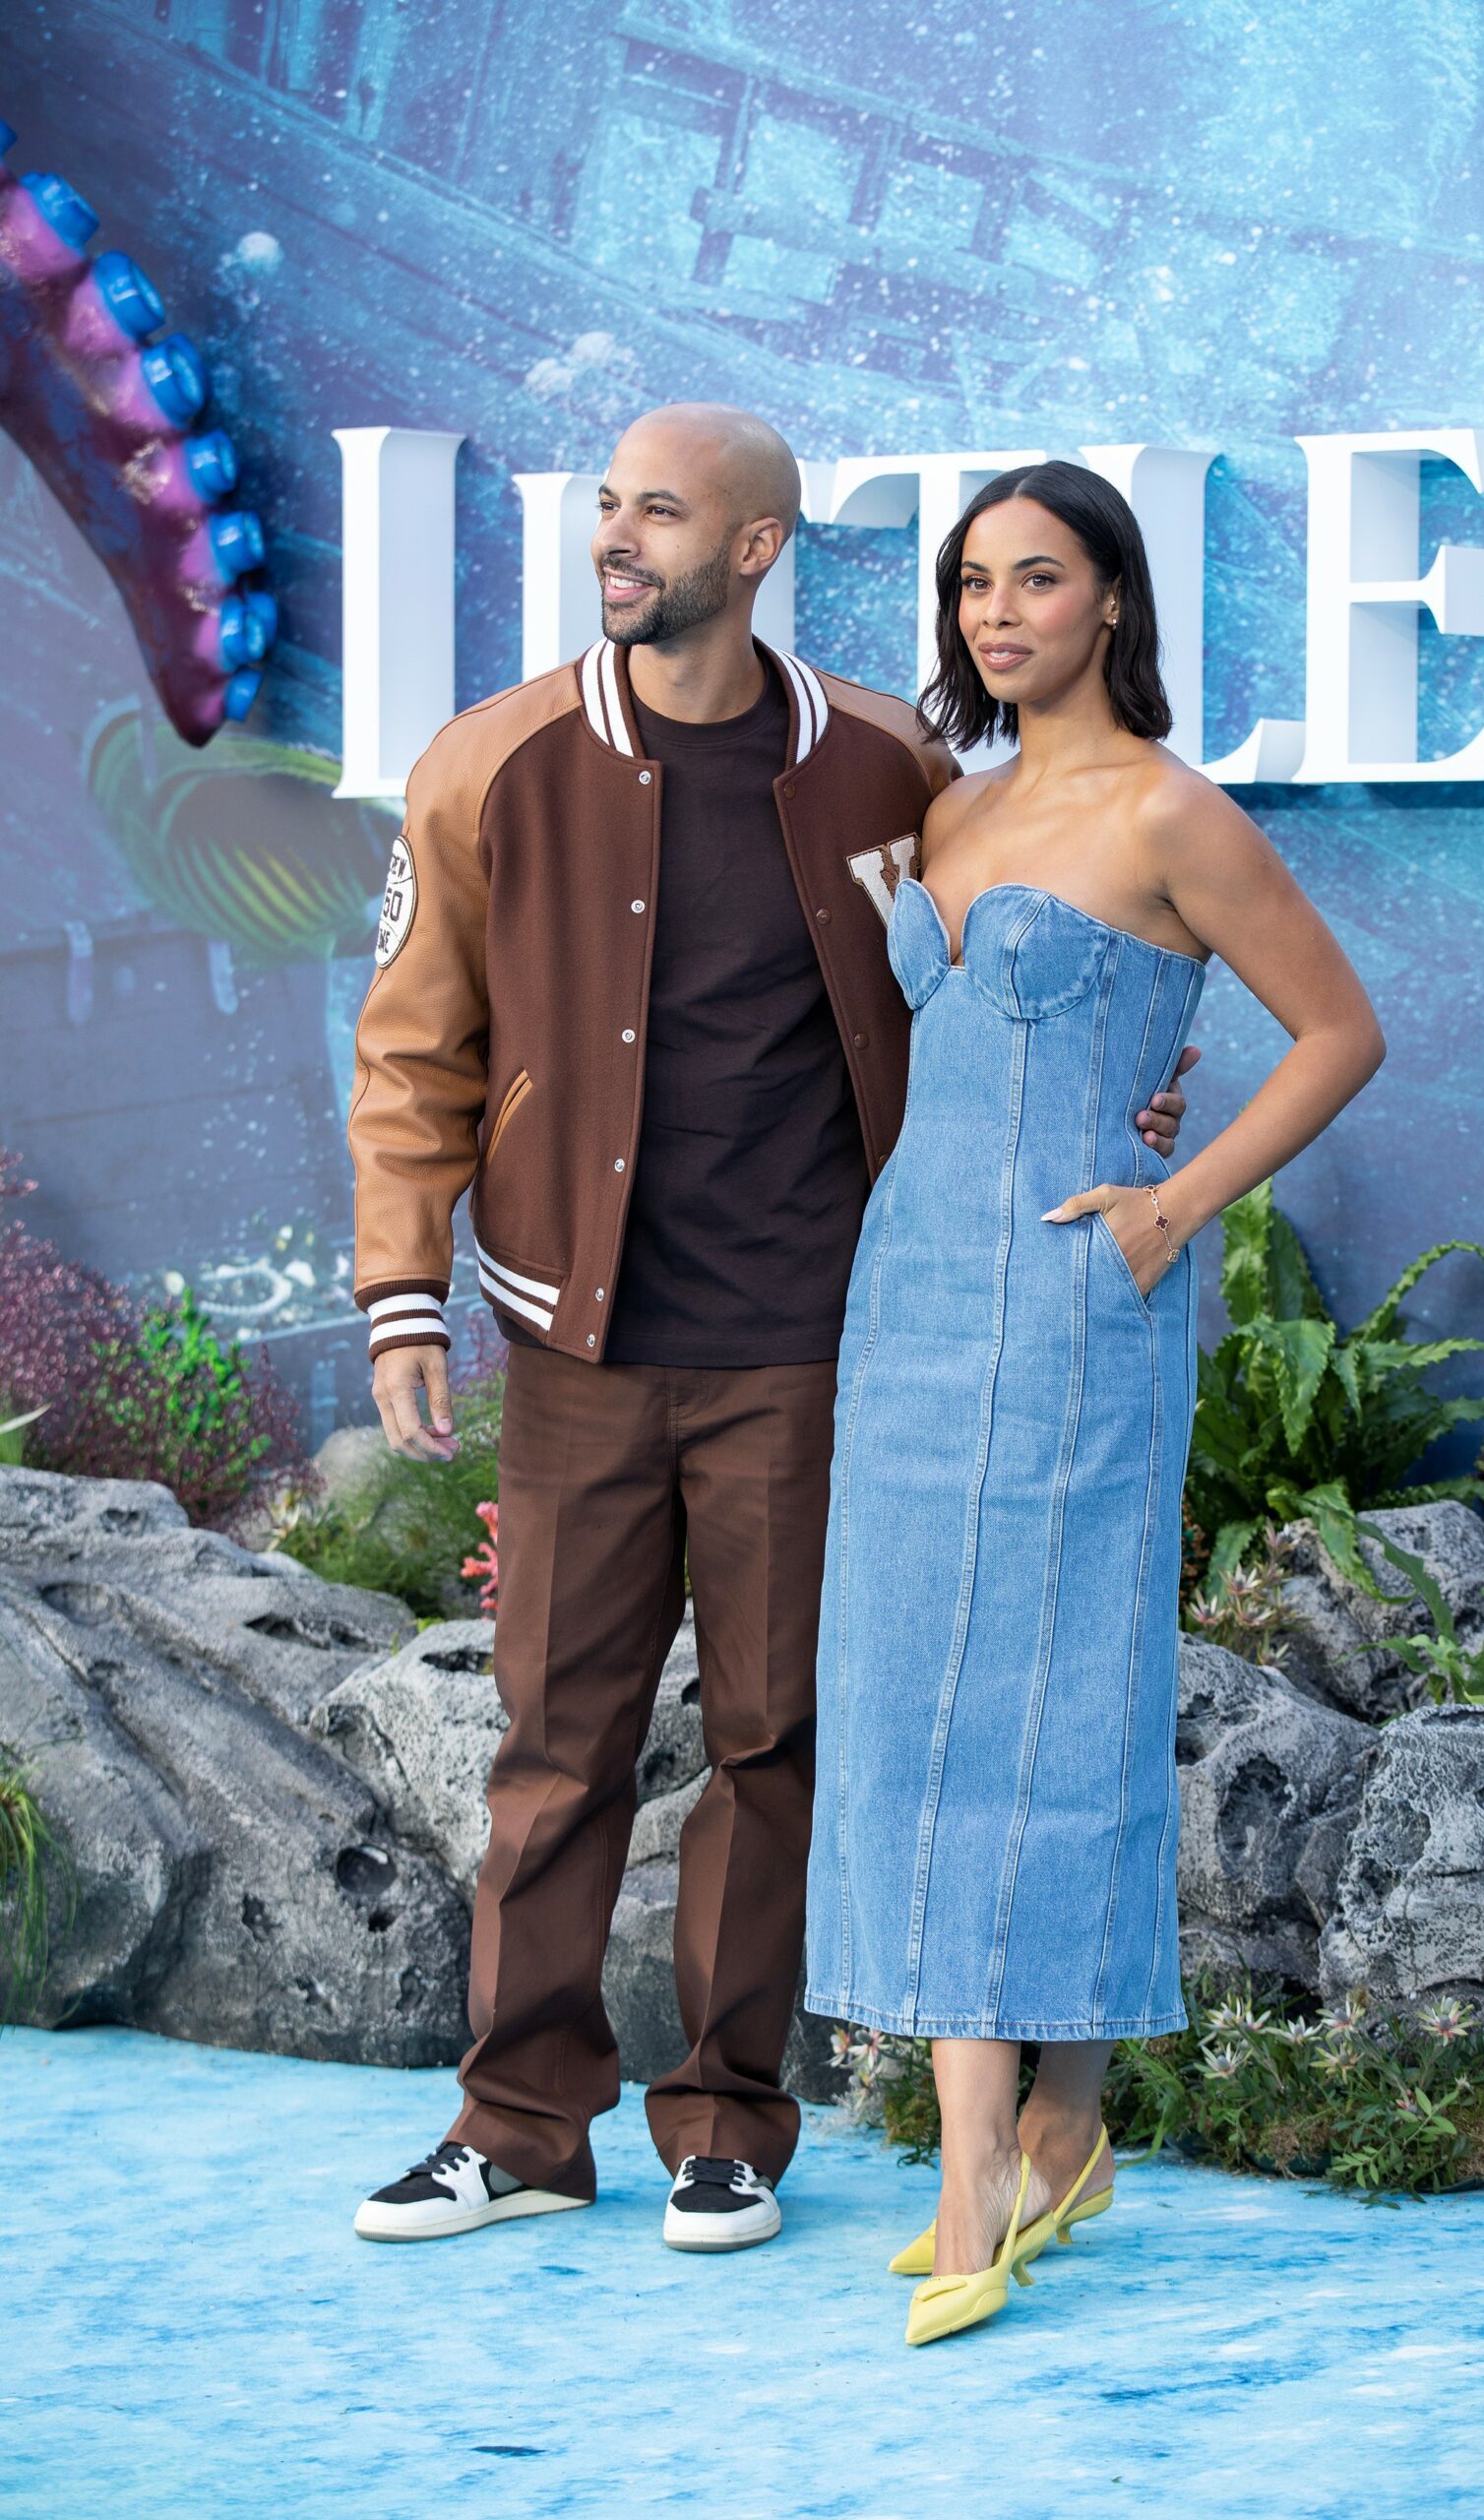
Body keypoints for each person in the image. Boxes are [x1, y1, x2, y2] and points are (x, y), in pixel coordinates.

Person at [343, 408, 1197, 2249]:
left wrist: (1134, 1096)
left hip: (819, 1345)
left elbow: (1037, 957)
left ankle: (728, 2123)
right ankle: (515, 2127)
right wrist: (400, 1287)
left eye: (658, 511)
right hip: (576, 1338)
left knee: (773, 1740)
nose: (613, 539)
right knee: (553, 1747)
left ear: (755, 549)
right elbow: (417, 1041)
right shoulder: (489, 763)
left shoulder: (889, 768)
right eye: (605, 507)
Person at [803, 460, 1387, 2344]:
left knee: (1047, 1711)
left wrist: (1174, 1194)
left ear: (1111, 601)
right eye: (973, 583)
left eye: (1035, 580)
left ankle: (1011, 2145)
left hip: (1074, 1308)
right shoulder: (950, 808)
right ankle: (1039, 2124)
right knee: (909, 1701)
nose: (996, 614)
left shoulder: (1170, 812)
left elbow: (1340, 1030)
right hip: (905, 1304)